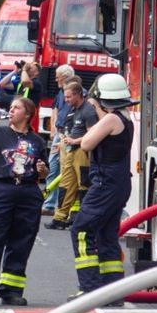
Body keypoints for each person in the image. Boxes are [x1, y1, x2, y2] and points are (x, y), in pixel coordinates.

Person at [0, 97, 49, 307]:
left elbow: (44, 170)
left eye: (16, 107)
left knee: (21, 242)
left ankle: (12, 290)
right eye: (11, 107)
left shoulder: (37, 141)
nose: (11, 110)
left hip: (28, 191)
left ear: (28, 113)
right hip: (1, 190)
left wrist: (42, 171)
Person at [69, 73, 135, 299]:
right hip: (118, 183)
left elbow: (86, 143)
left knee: (81, 230)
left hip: (104, 182)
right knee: (106, 234)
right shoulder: (124, 118)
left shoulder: (110, 119)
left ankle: (90, 289)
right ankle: (112, 291)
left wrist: (96, 108)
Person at [48, 76, 95, 230]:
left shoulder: (88, 110)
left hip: (82, 152)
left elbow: (92, 134)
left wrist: (75, 141)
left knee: (84, 186)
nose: (66, 100)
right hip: (71, 150)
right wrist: (63, 142)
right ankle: (59, 218)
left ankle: (83, 220)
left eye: (68, 97)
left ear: (77, 94)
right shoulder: (75, 110)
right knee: (66, 184)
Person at [42, 65, 76, 215]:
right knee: (53, 168)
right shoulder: (61, 93)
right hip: (59, 134)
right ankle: (49, 205)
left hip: (68, 136)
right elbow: (55, 108)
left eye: (58, 76)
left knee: (66, 172)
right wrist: (53, 129)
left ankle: (62, 206)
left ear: (66, 77)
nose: (55, 79)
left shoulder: (76, 94)